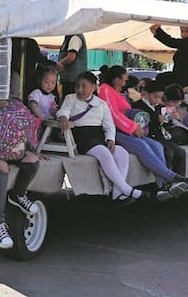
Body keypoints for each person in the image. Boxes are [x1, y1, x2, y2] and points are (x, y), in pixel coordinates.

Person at [97, 65, 188, 198]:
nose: (127, 81)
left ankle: (162, 186)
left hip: (127, 129)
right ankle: (173, 178)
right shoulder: (105, 90)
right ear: (117, 80)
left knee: (157, 146)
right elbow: (112, 114)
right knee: (142, 147)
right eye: (124, 79)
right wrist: (133, 127)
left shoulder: (115, 92)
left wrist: (134, 126)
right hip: (115, 132)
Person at [57, 70, 153, 204]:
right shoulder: (70, 99)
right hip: (82, 137)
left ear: (94, 87)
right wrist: (63, 118)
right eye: (77, 86)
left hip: (98, 137)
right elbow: (64, 111)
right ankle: (127, 190)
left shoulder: (101, 103)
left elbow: (109, 125)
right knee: (104, 154)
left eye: (84, 86)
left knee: (122, 153)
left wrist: (110, 139)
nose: (79, 89)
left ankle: (117, 194)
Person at [0, 78, 41, 251]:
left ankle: (18, 195)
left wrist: (32, 149)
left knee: (33, 161)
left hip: (12, 150)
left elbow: (29, 132)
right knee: (2, 167)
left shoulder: (17, 106)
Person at [130, 80, 187, 177]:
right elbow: (142, 125)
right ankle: (167, 180)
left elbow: (165, 125)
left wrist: (169, 119)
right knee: (168, 153)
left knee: (180, 152)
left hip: (160, 136)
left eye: (159, 97)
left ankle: (180, 179)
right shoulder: (138, 106)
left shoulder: (159, 107)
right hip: (148, 137)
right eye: (155, 97)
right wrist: (157, 120)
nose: (157, 100)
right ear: (146, 94)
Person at [149, 24, 188, 90]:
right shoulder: (187, 43)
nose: (184, 34)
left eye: (187, 31)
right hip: (180, 76)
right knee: (161, 78)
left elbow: (171, 42)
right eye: (182, 31)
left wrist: (158, 31)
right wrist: (157, 32)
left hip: (187, 78)